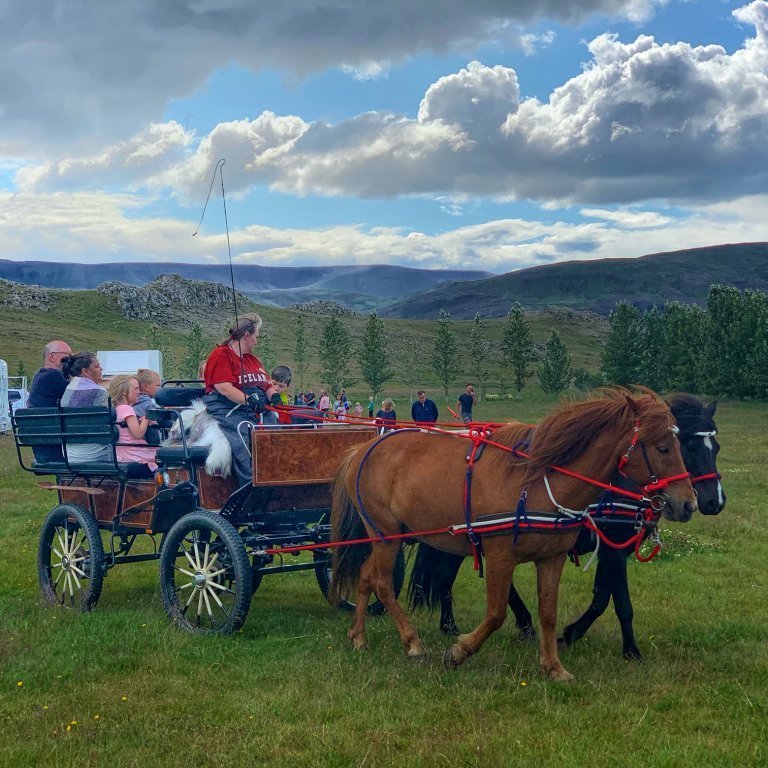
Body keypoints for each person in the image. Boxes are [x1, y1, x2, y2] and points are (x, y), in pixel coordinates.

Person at [202, 313, 279, 487]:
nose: (256, 342)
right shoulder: (220, 355)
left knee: (276, 428)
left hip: (255, 405)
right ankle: (251, 483)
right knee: (244, 431)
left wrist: (274, 396)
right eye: (256, 337)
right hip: (227, 406)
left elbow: (266, 384)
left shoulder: (252, 359)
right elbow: (224, 388)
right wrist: (249, 400)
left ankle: (276, 475)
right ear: (247, 335)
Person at [59, 352, 110, 464]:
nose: (101, 369)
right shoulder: (100, 392)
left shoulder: (68, 390)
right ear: (85, 372)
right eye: (97, 366)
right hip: (93, 454)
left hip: (68, 454)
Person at [27, 339, 73, 462]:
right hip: (58, 449)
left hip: (44, 447)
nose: (71, 359)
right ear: (52, 356)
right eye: (67, 355)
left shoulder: (40, 376)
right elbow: (78, 398)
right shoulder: (54, 376)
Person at [107, 375, 158, 477]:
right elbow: (138, 434)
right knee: (162, 455)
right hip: (133, 454)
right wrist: (146, 418)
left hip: (120, 454)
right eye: (136, 388)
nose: (139, 392)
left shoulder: (116, 409)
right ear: (124, 392)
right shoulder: (127, 409)